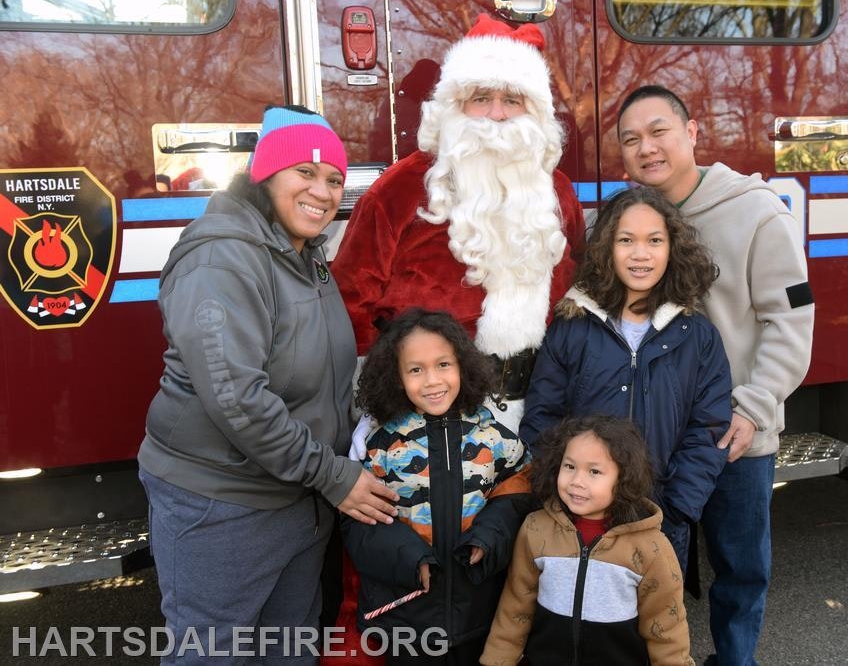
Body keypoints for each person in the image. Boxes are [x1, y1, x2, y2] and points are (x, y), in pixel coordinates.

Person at [137, 105, 399, 663]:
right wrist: (334, 476)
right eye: (304, 172)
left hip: (297, 498)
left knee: (290, 645)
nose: (322, 191)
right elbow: (238, 400)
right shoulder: (222, 258)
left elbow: (327, 372)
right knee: (213, 651)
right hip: (223, 502)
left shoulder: (304, 255)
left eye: (333, 179)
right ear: (265, 174)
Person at [617, 85, 815, 666]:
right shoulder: (634, 219)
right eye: (631, 140)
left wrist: (752, 407)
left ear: (693, 132)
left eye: (659, 132)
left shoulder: (757, 213)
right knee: (649, 567)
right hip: (654, 435)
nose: (646, 148)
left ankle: (735, 659)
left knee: (740, 567)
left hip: (735, 433)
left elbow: (792, 319)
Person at [331, 13, 586, 432]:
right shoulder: (404, 186)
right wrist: (380, 403)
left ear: (534, 112)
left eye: (512, 99)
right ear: (454, 107)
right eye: (480, 98)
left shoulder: (555, 189)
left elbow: (578, 278)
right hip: (426, 414)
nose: (497, 115)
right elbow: (350, 298)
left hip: (537, 407)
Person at [520, 185, 732, 581]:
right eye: (626, 241)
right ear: (606, 248)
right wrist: (563, 497)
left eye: (654, 240)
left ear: (672, 249)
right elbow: (542, 417)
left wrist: (678, 507)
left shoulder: (698, 336)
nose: (640, 254)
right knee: (582, 625)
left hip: (660, 516)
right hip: (580, 517)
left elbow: (709, 428)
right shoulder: (572, 328)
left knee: (655, 630)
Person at [342, 308, 533, 665]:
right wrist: (409, 558)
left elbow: (517, 496)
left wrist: (489, 539)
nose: (432, 381)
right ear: (396, 378)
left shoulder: (493, 439)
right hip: (407, 618)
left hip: (478, 613)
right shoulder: (380, 446)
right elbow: (358, 523)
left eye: (443, 365)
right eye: (416, 369)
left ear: (463, 366)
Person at [481, 415, 695, 666]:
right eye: (569, 466)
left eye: (594, 471)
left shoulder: (651, 547)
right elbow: (515, 608)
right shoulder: (536, 529)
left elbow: (666, 630)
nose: (576, 482)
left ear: (623, 478)